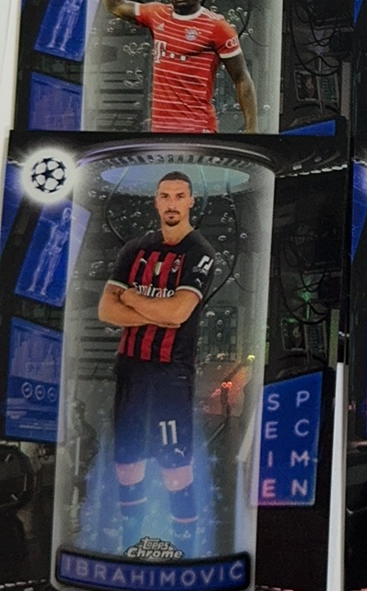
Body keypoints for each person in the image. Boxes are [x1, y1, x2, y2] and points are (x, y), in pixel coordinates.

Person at [98, 172, 216, 553]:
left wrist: (132, 298)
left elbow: (178, 313)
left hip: (171, 376)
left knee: (175, 468)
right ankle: (131, 547)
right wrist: (159, 313)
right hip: (131, 371)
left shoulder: (200, 252)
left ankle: (186, 552)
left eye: (180, 196)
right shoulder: (135, 249)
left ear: (191, 201)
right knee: (127, 464)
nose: (172, 203)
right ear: (155, 201)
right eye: (165, 196)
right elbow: (105, 311)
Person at [93, 0, 257, 133]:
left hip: (199, 130)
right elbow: (116, 5)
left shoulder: (217, 27)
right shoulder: (156, 14)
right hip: (161, 132)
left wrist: (251, 130)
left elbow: (241, 78)